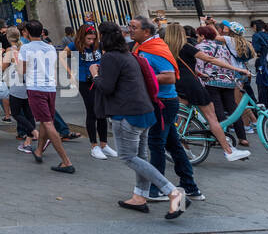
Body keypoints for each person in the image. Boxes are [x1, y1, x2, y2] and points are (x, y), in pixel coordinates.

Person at [95, 23, 188, 219]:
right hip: (145, 111)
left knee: (128, 157)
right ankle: (140, 196)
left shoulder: (110, 58)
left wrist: (95, 73)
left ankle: (173, 192)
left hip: (126, 113)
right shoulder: (130, 55)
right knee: (140, 156)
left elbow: (106, 87)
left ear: (103, 37)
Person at [129, 17, 203, 201]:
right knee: (173, 144)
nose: (130, 30)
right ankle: (190, 185)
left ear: (146, 32)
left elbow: (169, 77)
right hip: (157, 101)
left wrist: (142, 78)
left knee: (156, 144)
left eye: (134, 27)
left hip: (162, 103)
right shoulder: (142, 47)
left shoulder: (155, 49)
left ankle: (156, 188)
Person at [165, 23, 250, 160]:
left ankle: (184, 149)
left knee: (182, 118)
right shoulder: (186, 47)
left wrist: (199, 73)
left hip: (178, 84)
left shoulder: (167, 49)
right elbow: (210, 59)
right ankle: (229, 151)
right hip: (192, 85)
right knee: (212, 118)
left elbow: (181, 66)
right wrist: (238, 69)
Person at [19, 21, 73, 172]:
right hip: (50, 88)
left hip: (36, 88)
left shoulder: (25, 48)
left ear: (27, 33)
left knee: (48, 123)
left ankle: (66, 161)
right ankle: (39, 151)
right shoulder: (50, 47)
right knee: (44, 121)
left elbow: (22, 70)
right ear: (42, 32)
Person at [194, 25, 251, 147]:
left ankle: (222, 137)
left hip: (211, 81)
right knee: (233, 109)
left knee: (217, 110)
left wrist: (200, 81)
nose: (197, 38)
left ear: (203, 36)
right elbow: (228, 63)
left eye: (198, 35)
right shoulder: (222, 47)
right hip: (227, 81)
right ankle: (242, 137)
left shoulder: (199, 47)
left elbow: (199, 66)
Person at [74, 23, 114, 159]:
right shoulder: (75, 46)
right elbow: (62, 56)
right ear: (82, 37)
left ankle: (104, 144)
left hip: (98, 79)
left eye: (93, 39)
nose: (91, 41)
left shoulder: (98, 45)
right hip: (85, 82)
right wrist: (71, 73)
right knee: (92, 112)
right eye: (89, 39)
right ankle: (94, 146)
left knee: (102, 112)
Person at [3, 27, 36, 152]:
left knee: (16, 113)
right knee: (28, 113)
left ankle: (33, 132)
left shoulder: (11, 51)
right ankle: (28, 142)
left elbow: (2, 66)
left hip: (16, 84)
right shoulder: (25, 48)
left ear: (8, 37)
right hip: (28, 83)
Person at [251, 20, 268, 106]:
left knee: (262, 88)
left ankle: (264, 107)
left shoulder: (256, 36)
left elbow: (256, 49)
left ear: (255, 26)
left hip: (263, 63)